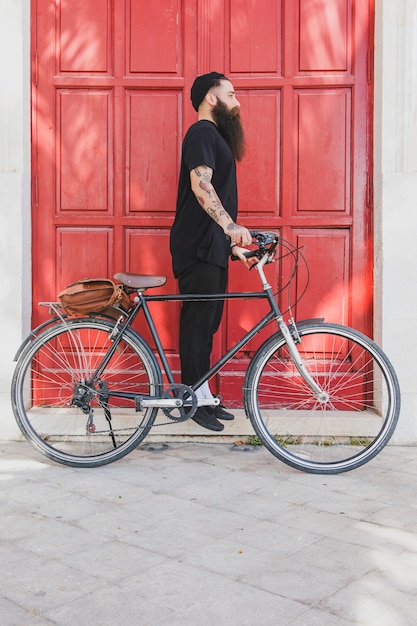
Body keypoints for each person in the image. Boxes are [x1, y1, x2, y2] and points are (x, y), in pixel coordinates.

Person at [170, 71, 256, 432]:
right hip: (197, 246)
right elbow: (200, 184)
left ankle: (201, 394)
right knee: (196, 326)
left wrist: (231, 244)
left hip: (211, 247)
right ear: (211, 97)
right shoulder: (202, 133)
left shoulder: (214, 136)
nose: (237, 102)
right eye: (231, 94)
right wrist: (230, 226)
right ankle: (191, 399)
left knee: (206, 327)